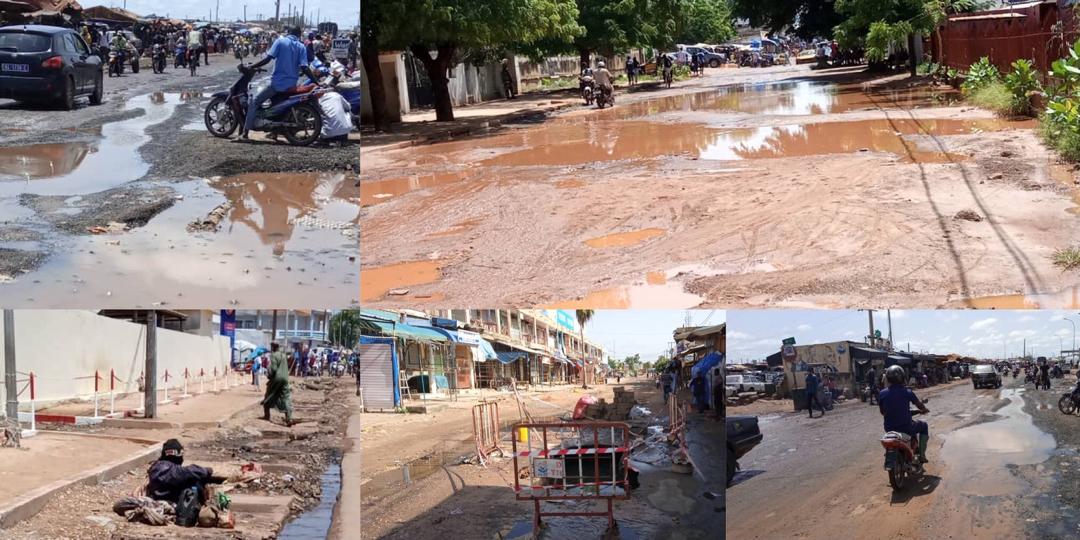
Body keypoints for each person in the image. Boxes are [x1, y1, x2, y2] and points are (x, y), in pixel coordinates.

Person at [239, 26, 317, 141]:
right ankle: (274, 132)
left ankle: (245, 134)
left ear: (288, 32)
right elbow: (305, 67)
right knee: (274, 103)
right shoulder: (301, 47)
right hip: (291, 84)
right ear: (299, 35)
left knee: (254, 102)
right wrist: (315, 81)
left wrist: (252, 66)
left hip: (277, 83)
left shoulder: (280, 41)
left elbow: (268, 59)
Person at [879, 365, 930, 464]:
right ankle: (922, 456)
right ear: (902, 377)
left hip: (889, 429)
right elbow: (919, 405)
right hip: (907, 428)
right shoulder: (907, 392)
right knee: (924, 426)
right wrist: (924, 409)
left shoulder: (882, 393)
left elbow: (882, 412)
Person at [147, 439, 219, 503]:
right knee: (194, 485)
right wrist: (207, 470)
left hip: (159, 498)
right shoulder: (170, 469)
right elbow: (189, 471)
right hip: (167, 501)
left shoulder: (156, 466)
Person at [262, 343, 294, 426]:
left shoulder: (273, 355)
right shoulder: (283, 355)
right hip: (285, 378)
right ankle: (289, 418)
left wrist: (269, 374)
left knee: (268, 394)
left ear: (273, 347)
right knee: (286, 397)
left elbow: (274, 369)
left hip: (277, 378)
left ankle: (267, 415)